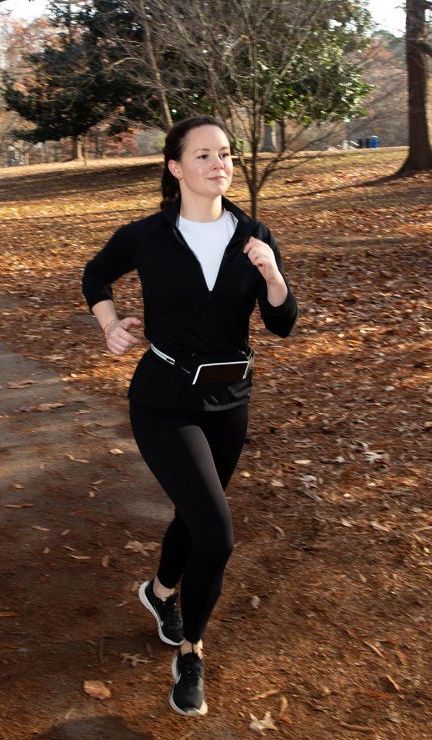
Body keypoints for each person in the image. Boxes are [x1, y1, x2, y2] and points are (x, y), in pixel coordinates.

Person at [80, 115, 299, 716]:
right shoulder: (147, 235)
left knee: (197, 515)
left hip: (231, 401)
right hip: (164, 397)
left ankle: (158, 592)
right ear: (176, 168)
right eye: (203, 155)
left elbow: (281, 323)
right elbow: (95, 274)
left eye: (225, 154)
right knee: (217, 533)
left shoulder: (253, 235)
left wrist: (273, 273)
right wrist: (108, 324)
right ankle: (192, 652)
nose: (218, 164)